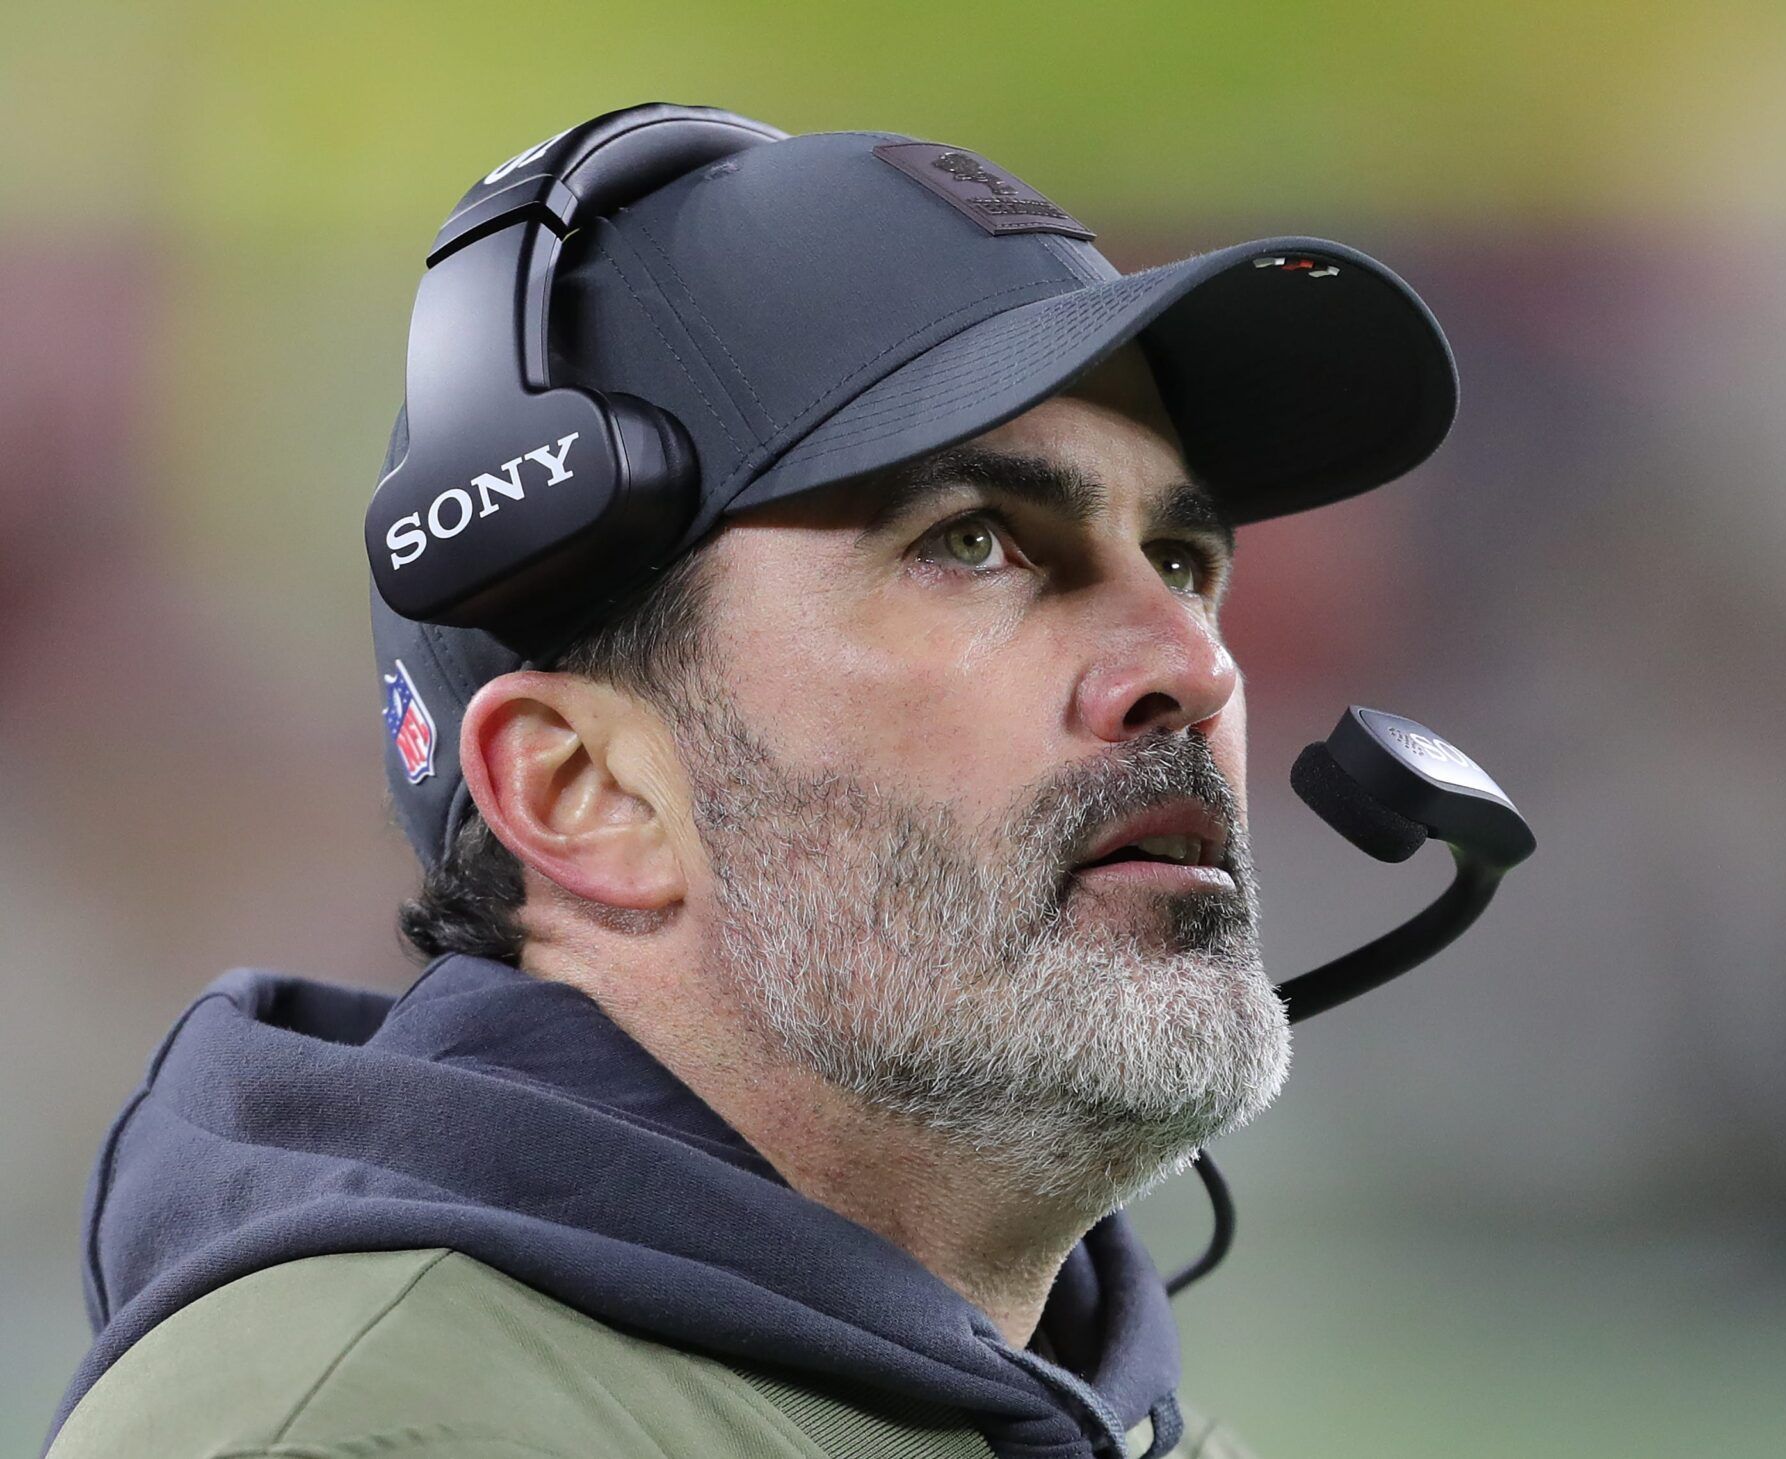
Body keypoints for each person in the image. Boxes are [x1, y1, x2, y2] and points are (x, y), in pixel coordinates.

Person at [44, 111, 1455, 1459]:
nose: (1195, 665)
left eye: (1187, 564)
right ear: (587, 792)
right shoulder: (356, 1434)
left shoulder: (1096, 1415)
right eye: (976, 542)